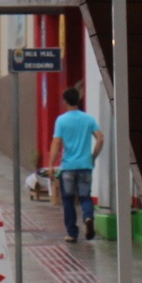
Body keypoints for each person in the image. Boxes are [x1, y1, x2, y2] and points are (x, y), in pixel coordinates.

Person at [45, 85, 104, 243]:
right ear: (78, 100)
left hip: (68, 167)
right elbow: (100, 138)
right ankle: (88, 217)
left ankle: (72, 233)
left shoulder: (61, 120)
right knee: (85, 197)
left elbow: (56, 142)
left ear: (65, 101)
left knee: (68, 199)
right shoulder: (88, 119)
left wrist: (51, 164)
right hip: (85, 165)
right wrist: (93, 156)